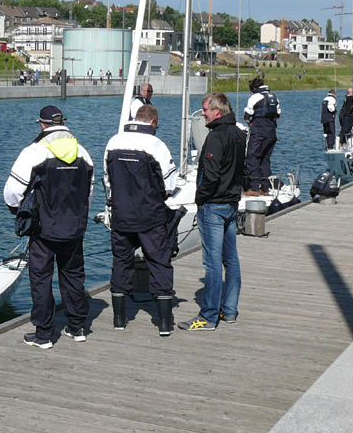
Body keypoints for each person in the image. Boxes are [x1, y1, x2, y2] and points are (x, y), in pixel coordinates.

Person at [4, 105, 93, 349]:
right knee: (73, 276)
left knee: (41, 279)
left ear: (42, 124)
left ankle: (44, 334)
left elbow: (12, 192)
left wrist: (18, 210)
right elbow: (89, 191)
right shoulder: (83, 152)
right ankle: (77, 327)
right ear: (63, 123)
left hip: (43, 229)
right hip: (74, 227)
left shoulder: (34, 151)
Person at [103, 104, 177, 336]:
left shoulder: (113, 142)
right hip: (150, 216)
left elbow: (108, 180)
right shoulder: (156, 145)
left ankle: (119, 319)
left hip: (121, 215)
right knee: (159, 263)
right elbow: (170, 185)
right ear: (153, 122)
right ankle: (164, 323)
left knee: (121, 263)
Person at [178, 91, 244, 331]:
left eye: (205, 110)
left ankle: (208, 316)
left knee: (213, 262)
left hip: (214, 205)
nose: (203, 114)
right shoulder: (238, 133)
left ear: (217, 111)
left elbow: (211, 174)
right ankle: (229, 310)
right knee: (231, 259)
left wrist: (200, 198)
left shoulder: (216, 136)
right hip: (231, 203)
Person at [243, 77, 280, 196]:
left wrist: (250, 121)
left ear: (254, 88)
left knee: (252, 157)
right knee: (265, 159)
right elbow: (278, 114)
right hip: (272, 132)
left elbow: (247, 115)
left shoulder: (255, 97)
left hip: (259, 131)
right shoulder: (274, 97)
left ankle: (254, 187)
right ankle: (265, 188)